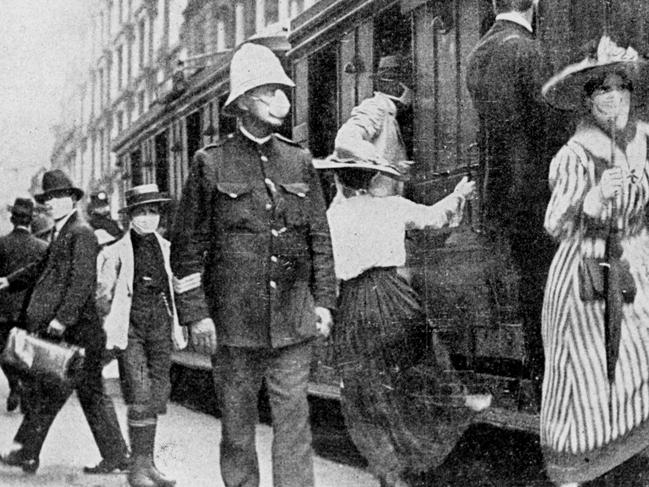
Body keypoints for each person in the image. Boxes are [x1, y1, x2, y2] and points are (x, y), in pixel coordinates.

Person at [170, 42, 337, 487]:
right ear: (242, 101)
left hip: (293, 320)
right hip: (233, 323)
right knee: (238, 429)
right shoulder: (209, 164)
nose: (281, 101)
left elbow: (319, 238)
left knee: (294, 424)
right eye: (268, 93)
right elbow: (186, 248)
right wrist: (197, 314)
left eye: (283, 92)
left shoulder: (300, 161)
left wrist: (324, 303)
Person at [314, 157, 490, 487]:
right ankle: (455, 401)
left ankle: (389, 473)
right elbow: (434, 218)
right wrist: (458, 194)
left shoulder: (331, 217)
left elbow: (324, 266)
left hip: (353, 303)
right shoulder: (392, 206)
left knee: (364, 392)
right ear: (370, 180)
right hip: (393, 295)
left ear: (339, 182)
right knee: (421, 357)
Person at [540, 36, 649, 487]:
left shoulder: (645, 144)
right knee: (587, 375)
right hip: (587, 273)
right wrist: (595, 196)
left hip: (637, 264)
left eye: (620, 87)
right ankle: (585, 468)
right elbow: (557, 222)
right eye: (602, 90)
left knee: (639, 365)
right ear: (588, 99)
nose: (613, 97)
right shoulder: (575, 154)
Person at [0, 169, 129, 475]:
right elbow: (38, 266)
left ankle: (29, 452)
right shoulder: (64, 232)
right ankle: (28, 452)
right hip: (75, 331)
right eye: (50, 198)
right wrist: (7, 281)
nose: (55, 202)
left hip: (79, 331)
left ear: (72, 198)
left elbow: (82, 282)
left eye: (60, 196)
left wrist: (61, 319)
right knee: (62, 391)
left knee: (79, 392)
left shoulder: (80, 232)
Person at [466, 0, 557, 395]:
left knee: (530, 295)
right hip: (540, 192)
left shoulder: (478, 53)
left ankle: (542, 385)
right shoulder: (528, 50)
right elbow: (549, 123)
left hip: (501, 195)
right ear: (534, 3)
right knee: (551, 295)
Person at [97, 184, 195, 487]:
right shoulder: (114, 251)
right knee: (139, 393)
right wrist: (110, 320)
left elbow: (181, 287)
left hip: (161, 326)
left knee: (154, 397)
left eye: (153, 212)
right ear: (130, 217)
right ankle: (137, 470)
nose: (148, 218)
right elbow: (102, 295)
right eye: (142, 212)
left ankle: (148, 464)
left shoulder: (167, 249)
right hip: (131, 328)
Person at [331, 54, 414, 202]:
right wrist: (383, 164)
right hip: (371, 207)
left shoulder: (392, 113)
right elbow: (345, 140)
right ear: (397, 84)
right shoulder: (376, 106)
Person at [0, 198, 48, 412]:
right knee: (27, 351)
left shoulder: (1, 244)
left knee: (4, 351)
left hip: (3, 309)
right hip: (30, 309)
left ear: (12, 219)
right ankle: (26, 388)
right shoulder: (42, 247)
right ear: (31, 220)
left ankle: (13, 384)